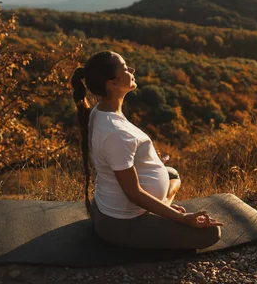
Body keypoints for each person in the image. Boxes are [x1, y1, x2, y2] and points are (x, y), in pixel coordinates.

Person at [71, 50, 222, 249]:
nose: (132, 70)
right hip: (122, 223)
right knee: (211, 233)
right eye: (125, 68)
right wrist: (181, 218)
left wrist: (149, 160)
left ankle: (163, 205)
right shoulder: (114, 132)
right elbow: (133, 193)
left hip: (113, 207)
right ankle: (162, 210)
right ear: (113, 83)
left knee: (172, 174)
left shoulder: (102, 111)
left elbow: (117, 157)